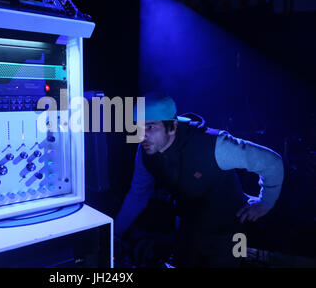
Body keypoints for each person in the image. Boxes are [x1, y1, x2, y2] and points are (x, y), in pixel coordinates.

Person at [114, 93, 284, 267]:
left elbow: (272, 163)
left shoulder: (215, 145)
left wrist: (265, 203)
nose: (142, 136)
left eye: (150, 127)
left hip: (229, 234)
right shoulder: (145, 151)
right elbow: (138, 194)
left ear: (172, 126)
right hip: (187, 229)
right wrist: (115, 233)